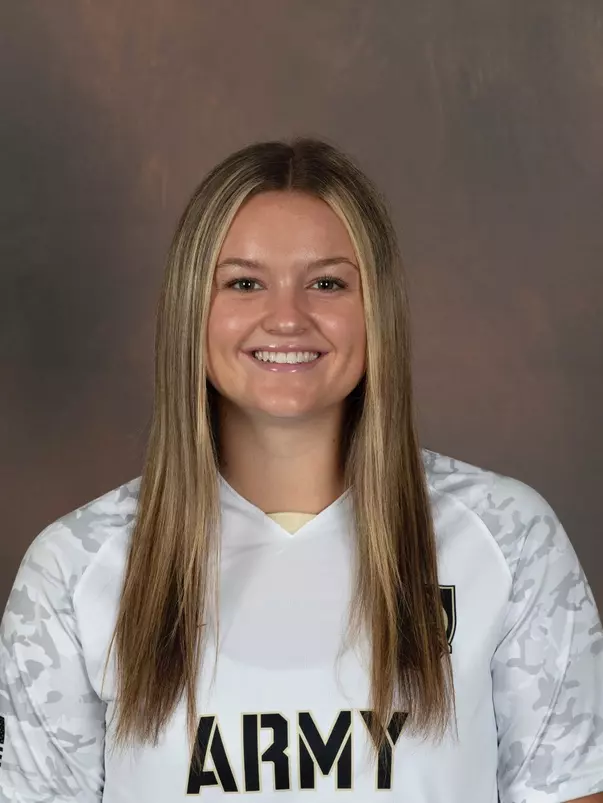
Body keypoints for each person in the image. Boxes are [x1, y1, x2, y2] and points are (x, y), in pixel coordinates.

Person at [0, 138, 602, 803]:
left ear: (377, 309)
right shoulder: (75, 570)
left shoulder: (506, 537)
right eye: (244, 282)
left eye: (327, 282)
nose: (286, 317)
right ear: (190, 310)